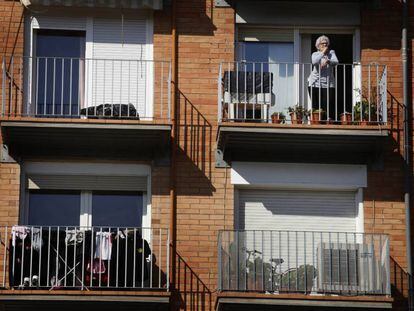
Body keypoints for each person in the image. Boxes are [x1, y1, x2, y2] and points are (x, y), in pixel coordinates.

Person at [308, 35, 339, 121]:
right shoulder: (315, 54)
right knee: (316, 105)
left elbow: (336, 62)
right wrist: (322, 53)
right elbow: (314, 62)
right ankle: (316, 121)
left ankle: (327, 120)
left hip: (329, 83)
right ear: (318, 45)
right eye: (322, 44)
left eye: (326, 43)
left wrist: (328, 61)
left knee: (328, 103)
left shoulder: (331, 53)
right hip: (315, 83)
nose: (325, 45)